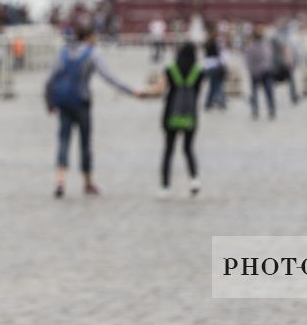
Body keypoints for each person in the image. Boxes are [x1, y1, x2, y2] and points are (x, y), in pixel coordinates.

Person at [45, 25, 138, 198]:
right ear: (89, 37)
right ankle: (87, 182)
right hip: (82, 102)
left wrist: (49, 103)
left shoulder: (63, 52)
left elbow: (50, 79)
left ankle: (60, 181)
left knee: (63, 140)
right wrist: (131, 91)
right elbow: (109, 77)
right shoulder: (92, 54)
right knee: (85, 143)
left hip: (64, 104)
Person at [139, 42, 203, 199]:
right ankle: (194, 179)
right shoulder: (198, 72)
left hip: (171, 114)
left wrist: (145, 93)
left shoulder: (170, 70)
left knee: (168, 151)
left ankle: (165, 186)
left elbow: (159, 89)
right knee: (188, 149)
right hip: (190, 115)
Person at [245, 27, 275, 120]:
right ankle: (271, 108)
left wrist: (253, 70)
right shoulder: (265, 46)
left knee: (254, 92)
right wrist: (264, 68)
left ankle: (255, 109)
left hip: (254, 72)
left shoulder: (250, 47)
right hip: (265, 71)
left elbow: (248, 61)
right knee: (268, 91)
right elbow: (268, 59)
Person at [202, 36, 226, 111]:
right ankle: (220, 102)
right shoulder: (214, 46)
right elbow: (218, 57)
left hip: (209, 67)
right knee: (218, 86)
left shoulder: (207, 46)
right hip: (216, 67)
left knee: (212, 86)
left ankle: (209, 102)